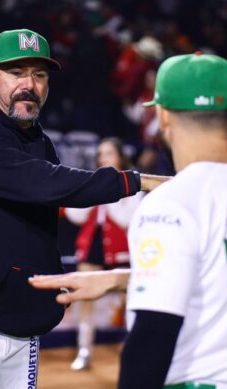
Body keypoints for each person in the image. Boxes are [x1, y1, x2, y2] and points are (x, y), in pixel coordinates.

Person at [0, 28, 166, 389]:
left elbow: (36, 223)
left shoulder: (37, 141)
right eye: (16, 72)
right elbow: (43, 183)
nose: (30, 84)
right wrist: (137, 181)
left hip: (18, 326)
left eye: (39, 75)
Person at [32, 53, 227, 389]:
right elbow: (222, 276)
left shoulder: (172, 201)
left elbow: (152, 338)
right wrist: (118, 279)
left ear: (163, 116)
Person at [65, 137, 144, 370]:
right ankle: (85, 350)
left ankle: (133, 350)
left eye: (109, 153)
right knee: (85, 297)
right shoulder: (92, 180)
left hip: (120, 250)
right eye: (101, 154)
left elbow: (127, 220)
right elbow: (75, 216)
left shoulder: (133, 182)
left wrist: (109, 192)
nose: (103, 158)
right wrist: (91, 191)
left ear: (119, 156)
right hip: (93, 245)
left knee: (129, 300)